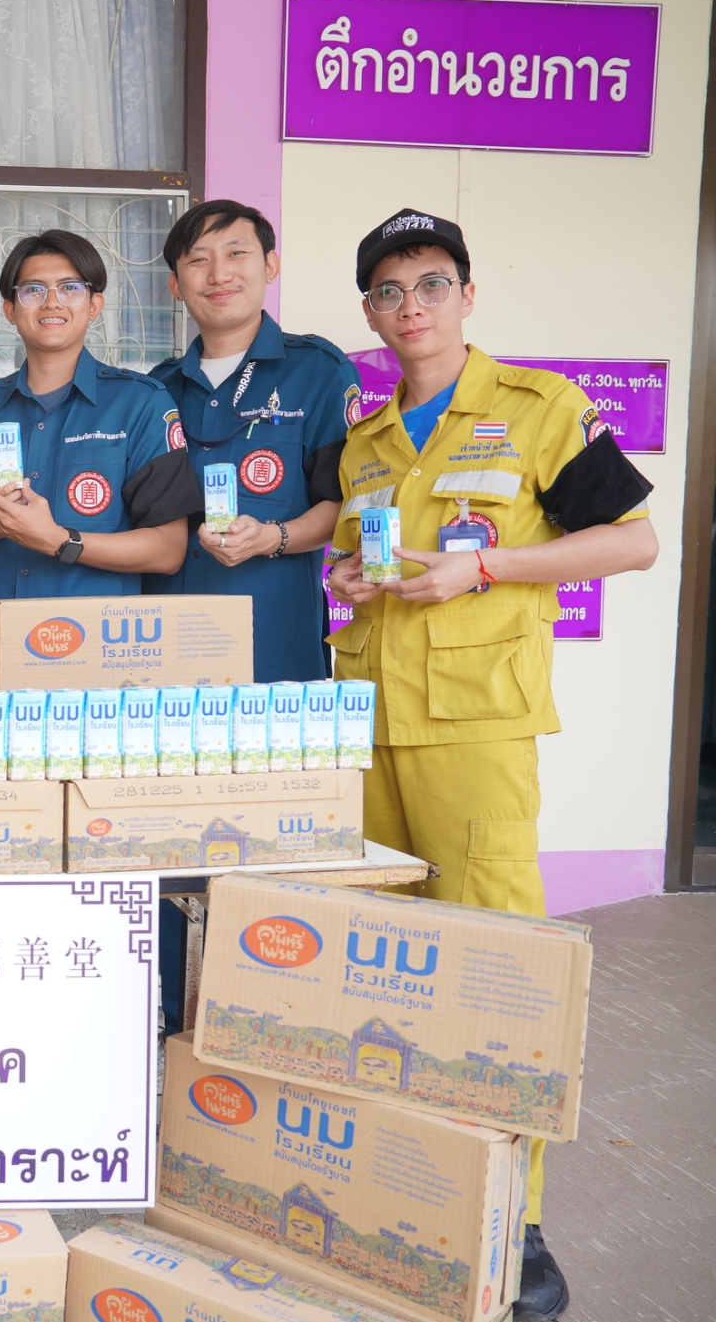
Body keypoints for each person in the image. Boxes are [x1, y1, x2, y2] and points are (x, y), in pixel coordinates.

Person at [327, 208, 658, 1322]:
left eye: (430, 283)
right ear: (370, 313)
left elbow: (632, 540)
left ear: (466, 295)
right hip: (370, 726)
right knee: (388, 974)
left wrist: (486, 569)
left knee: (497, 973)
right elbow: (358, 563)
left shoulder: (537, 407)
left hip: (472, 731)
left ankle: (516, 1221)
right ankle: (414, 1187)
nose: (409, 305)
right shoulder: (369, 441)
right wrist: (352, 579)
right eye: (387, 290)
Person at [144, 200, 358, 681]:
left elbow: (343, 503)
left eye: (236, 253)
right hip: (163, 647)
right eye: (199, 259)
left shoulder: (319, 371)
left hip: (275, 644)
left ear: (270, 265)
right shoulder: (155, 389)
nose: (219, 274)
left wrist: (271, 538)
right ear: (176, 285)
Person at [0, 230, 200, 595]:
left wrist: (59, 540)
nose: (51, 303)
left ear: (94, 305)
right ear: (10, 309)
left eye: (70, 288)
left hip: (94, 627)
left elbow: (168, 551)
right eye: (33, 290)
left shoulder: (141, 404)